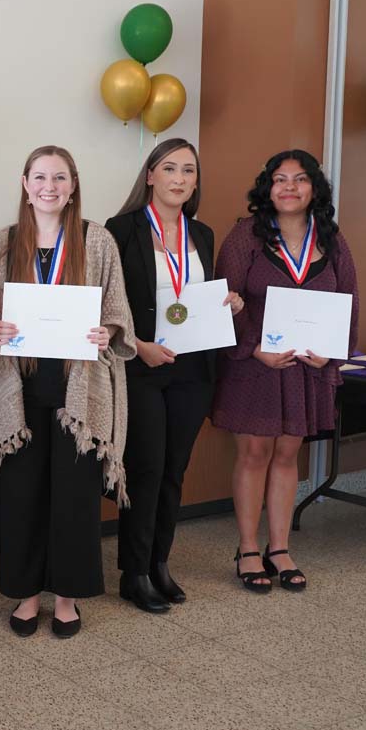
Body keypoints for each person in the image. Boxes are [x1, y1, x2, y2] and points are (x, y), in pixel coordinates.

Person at [0, 145, 135, 639]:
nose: (49, 187)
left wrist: (107, 332)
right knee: (22, 497)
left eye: (60, 178)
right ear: (25, 184)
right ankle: (26, 595)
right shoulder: (3, 243)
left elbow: (117, 310)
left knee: (74, 498)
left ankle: (66, 597)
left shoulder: (97, 240)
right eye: (39, 177)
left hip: (78, 393)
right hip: (18, 391)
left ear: (73, 185)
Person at [105, 139, 244, 613]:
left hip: (192, 368)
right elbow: (108, 300)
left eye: (188, 170)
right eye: (169, 168)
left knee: (173, 471)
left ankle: (159, 562)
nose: (179, 179)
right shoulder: (120, 230)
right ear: (150, 175)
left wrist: (229, 304)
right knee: (146, 469)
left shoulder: (201, 233)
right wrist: (137, 345)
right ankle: (135, 573)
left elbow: (197, 297)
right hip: (142, 365)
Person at [212, 149, 358, 593]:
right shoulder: (246, 235)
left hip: (302, 370)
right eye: (280, 179)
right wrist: (253, 349)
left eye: (300, 179)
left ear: (315, 188)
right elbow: (223, 301)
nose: (289, 187)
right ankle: (247, 549)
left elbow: (348, 302)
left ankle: (279, 548)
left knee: (287, 456)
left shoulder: (331, 239)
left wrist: (330, 353)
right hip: (254, 367)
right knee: (254, 455)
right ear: (268, 187)